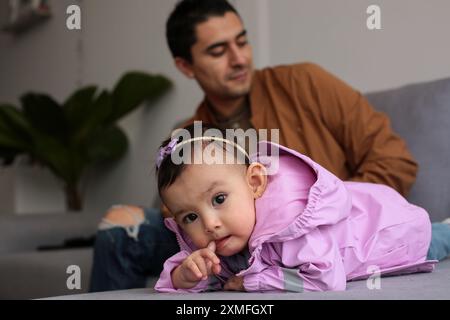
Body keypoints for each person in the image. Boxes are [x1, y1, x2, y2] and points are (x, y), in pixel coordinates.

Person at [89, 0, 419, 292]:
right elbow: (185, 212)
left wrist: (330, 214)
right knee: (119, 232)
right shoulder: (188, 135)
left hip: (318, 234)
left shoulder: (305, 82)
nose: (239, 59)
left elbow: (394, 159)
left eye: (242, 42)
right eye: (218, 51)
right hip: (227, 240)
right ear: (185, 66)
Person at [154, 125, 450, 292]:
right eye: (190, 216)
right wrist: (185, 276)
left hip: (389, 227)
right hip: (371, 213)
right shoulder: (215, 242)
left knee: (437, 238)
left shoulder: (290, 225)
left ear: (255, 182)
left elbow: (326, 278)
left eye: (219, 199)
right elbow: (195, 279)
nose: (209, 224)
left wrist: (252, 282)